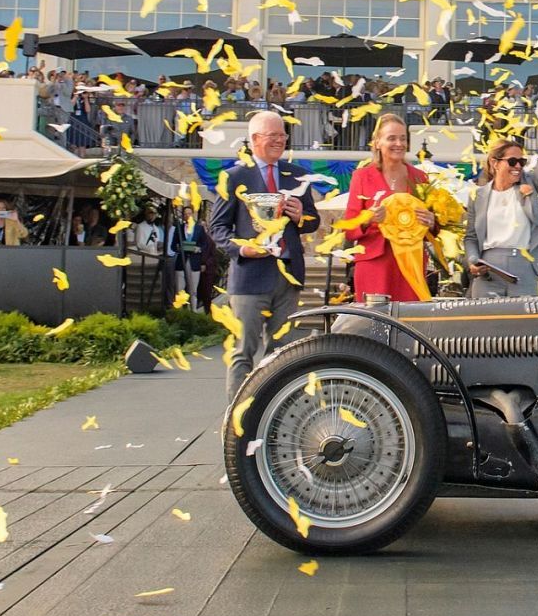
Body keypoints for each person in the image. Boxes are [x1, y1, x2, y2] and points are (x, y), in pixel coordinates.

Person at [209, 110, 321, 400]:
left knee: (282, 354)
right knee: (243, 352)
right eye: (273, 135)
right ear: (255, 139)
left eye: (282, 135)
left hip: (287, 277)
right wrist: (241, 248)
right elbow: (217, 227)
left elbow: (313, 221)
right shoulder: (233, 177)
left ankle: (274, 415)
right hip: (249, 277)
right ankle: (237, 423)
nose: (279, 141)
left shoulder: (296, 175)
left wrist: (300, 217)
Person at [465, 88, 538, 297]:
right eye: (512, 161)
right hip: (488, 272)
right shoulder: (478, 196)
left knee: (523, 327)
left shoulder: (529, 185)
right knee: (485, 327)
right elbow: (470, 237)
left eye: (521, 162)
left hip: (523, 269)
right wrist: (472, 261)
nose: (518, 166)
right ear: (495, 163)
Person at [344, 113, 437, 301]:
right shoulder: (362, 176)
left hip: (411, 264)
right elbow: (349, 228)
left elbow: (433, 228)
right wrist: (368, 219)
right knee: (373, 325)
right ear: (377, 142)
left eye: (403, 138)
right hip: (374, 263)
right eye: (392, 138)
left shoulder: (420, 177)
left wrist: (432, 222)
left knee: (409, 323)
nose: (399, 144)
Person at [174, 206, 206, 311]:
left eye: (189, 213)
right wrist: (178, 247)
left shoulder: (199, 228)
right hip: (181, 260)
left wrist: (199, 249)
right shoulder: (178, 227)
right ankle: (180, 313)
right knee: (180, 289)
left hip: (194, 261)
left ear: (193, 215)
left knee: (193, 290)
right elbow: (172, 245)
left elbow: (204, 245)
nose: (187, 216)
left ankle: (193, 312)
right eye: (185, 214)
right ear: (183, 216)